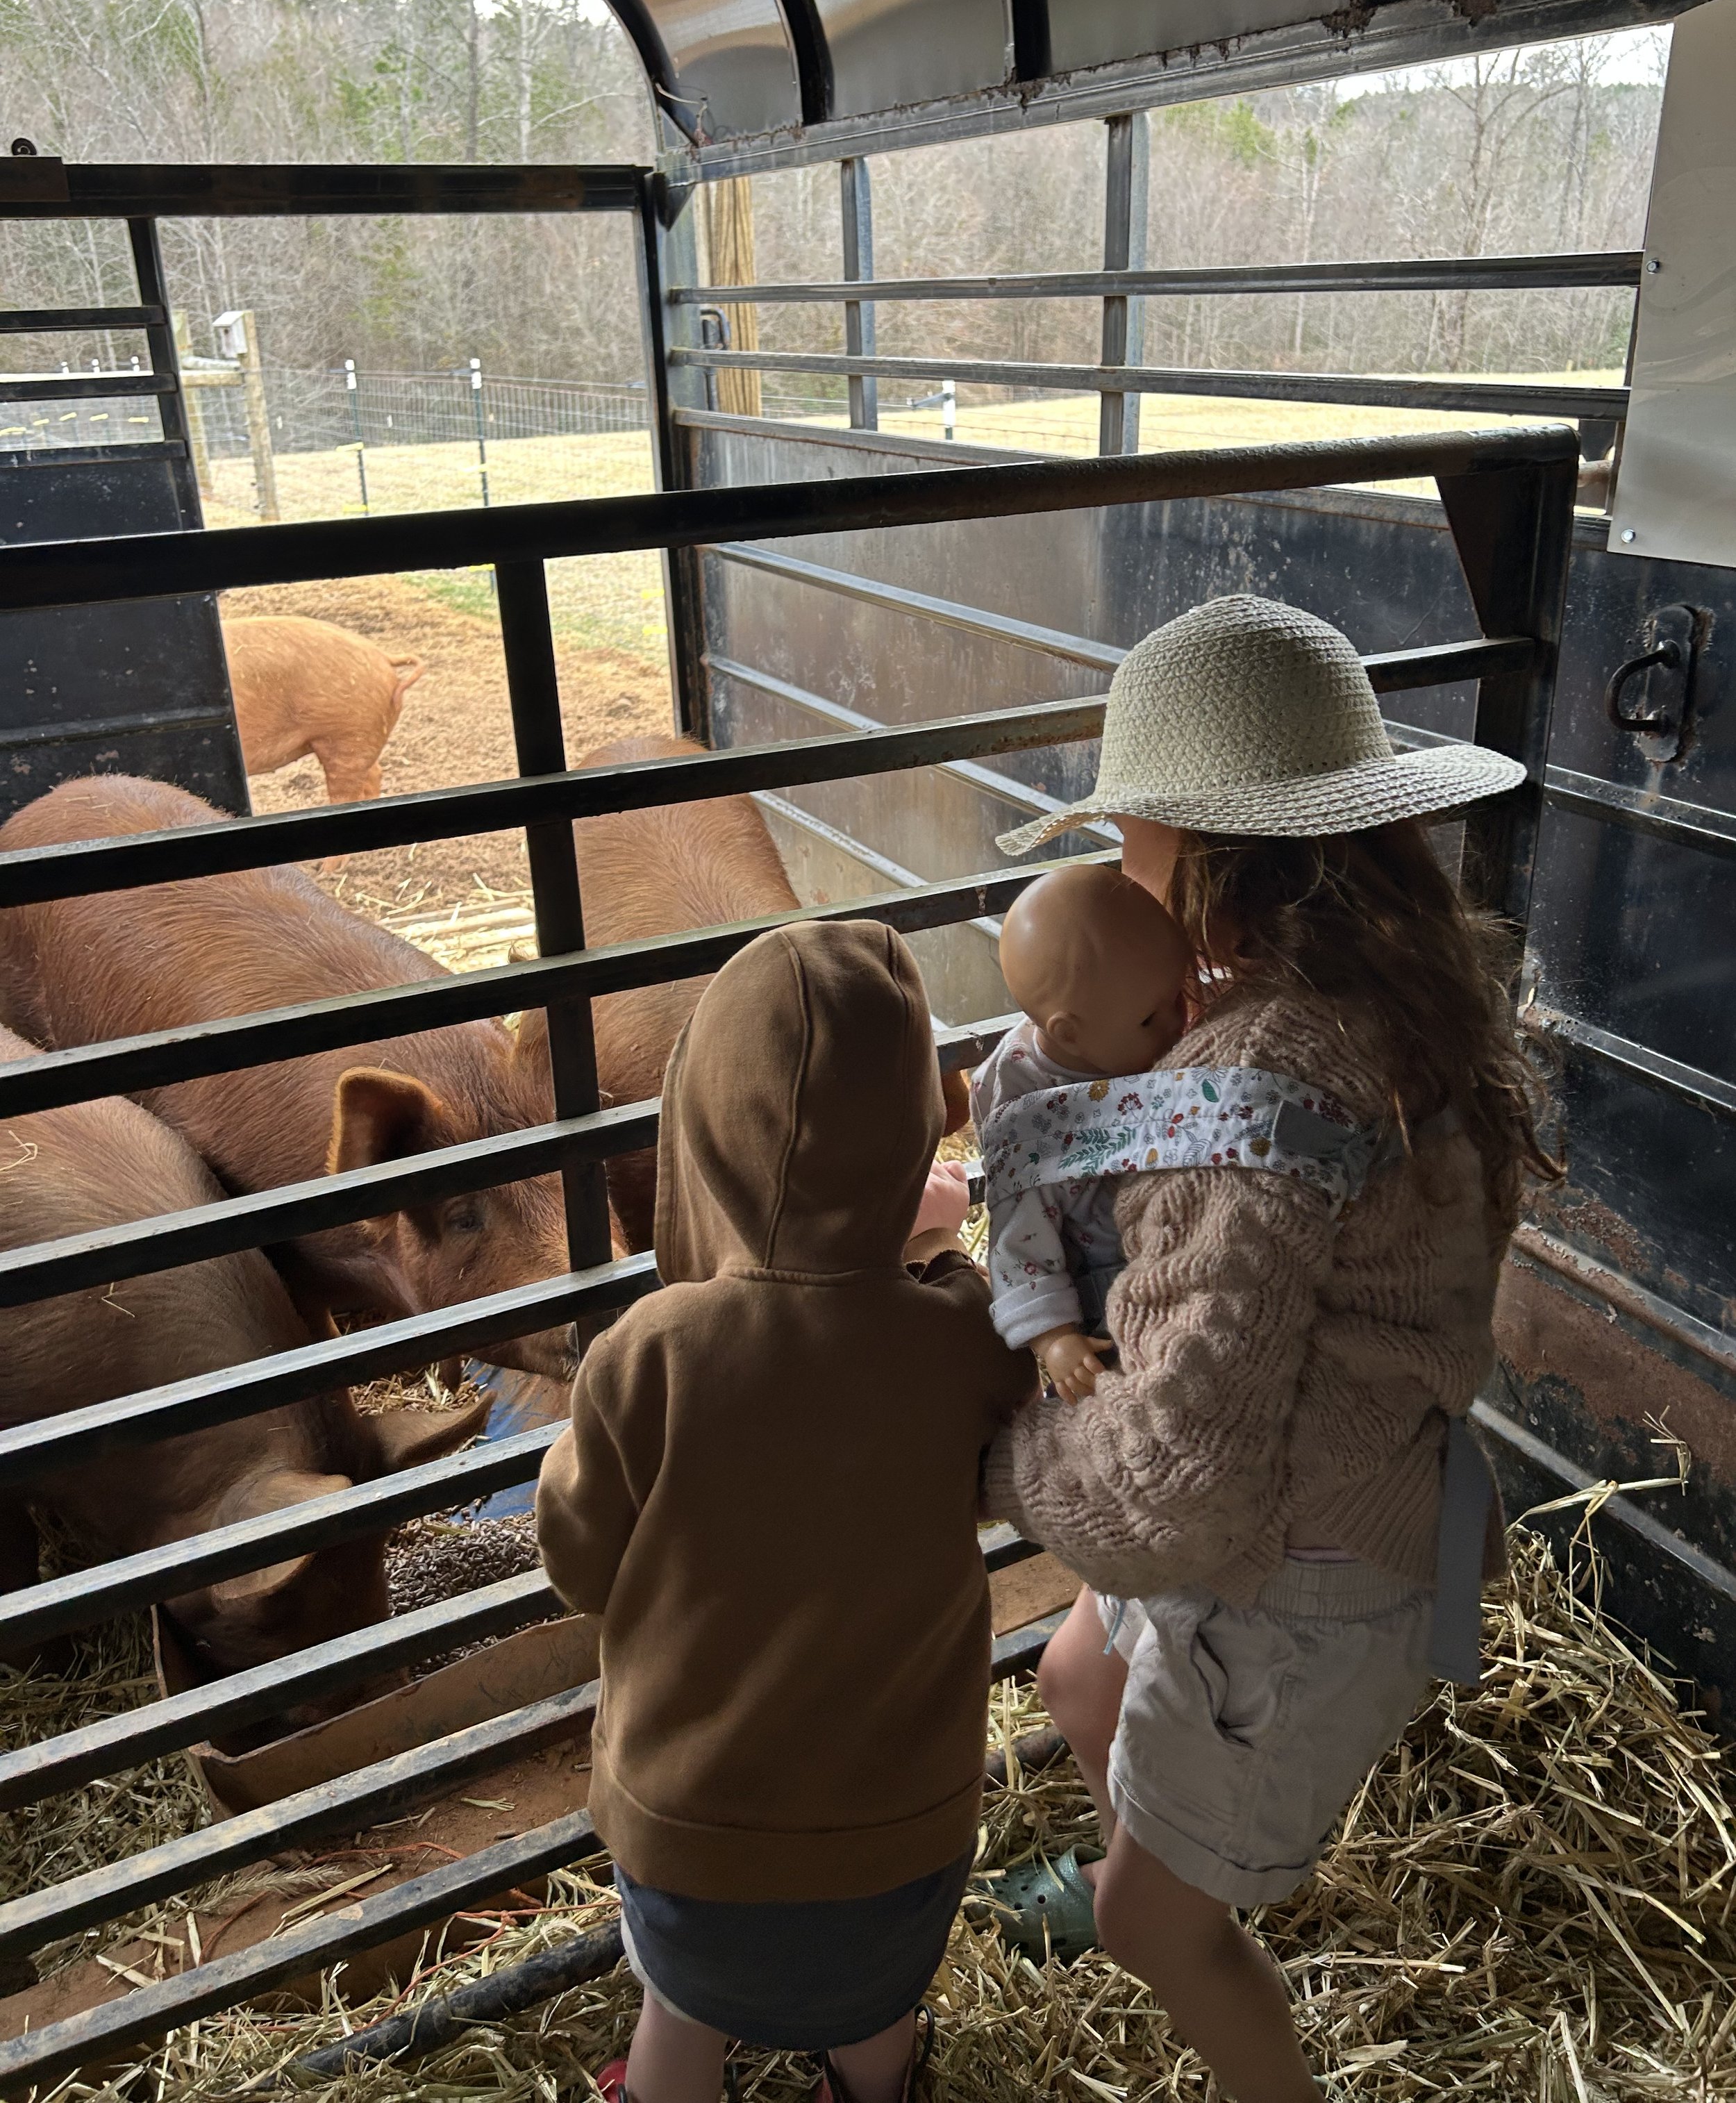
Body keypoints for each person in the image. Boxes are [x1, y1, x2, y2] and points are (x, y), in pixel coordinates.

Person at [981, 595, 1556, 2103]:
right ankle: (1149, 1823)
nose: (1114, 875)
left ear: (1207, 860)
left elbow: (1172, 1482)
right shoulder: (1404, 1001)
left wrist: (1002, 1443)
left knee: (1151, 1919)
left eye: (1133, 847)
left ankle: (1194, 1960)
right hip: (1340, 1485)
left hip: (1293, 1566)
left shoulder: (1256, 1063)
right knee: (1075, 1671)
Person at [535, 919, 1035, 2103]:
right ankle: (871, 2082)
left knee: (681, 2008)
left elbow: (578, 1559)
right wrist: (930, 1250)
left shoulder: (652, 1349)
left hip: (690, 1834)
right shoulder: (961, 1336)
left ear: (703, 1124)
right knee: (875, 2015)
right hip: (900, 1835)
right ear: (922, 1128)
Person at [971, 862, 1192, 1401]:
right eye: (1149, 1019)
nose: (1178, 1023)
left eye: (1179, 996)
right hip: (1105, 1295)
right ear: (1070, 1032)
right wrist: (1054, 1340)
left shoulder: (1122, 1024)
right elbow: (1017, 1239)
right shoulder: (1028, 1117)